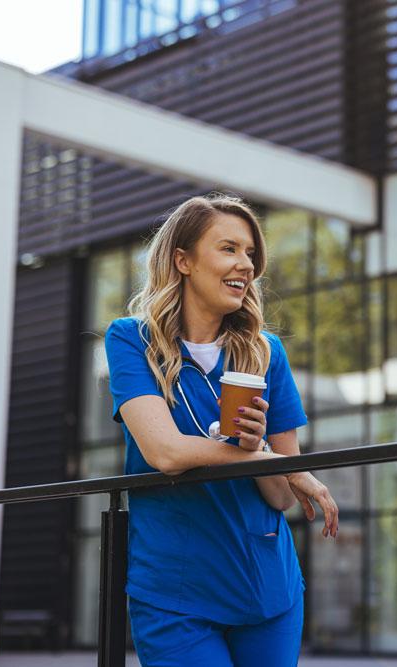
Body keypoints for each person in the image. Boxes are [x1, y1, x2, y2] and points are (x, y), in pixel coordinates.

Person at [105, 194, 339, 667]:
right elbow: (165, 452)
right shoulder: (131, 340)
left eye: (251, 253)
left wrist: (260, 452)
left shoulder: (267, 352)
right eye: (229, 248)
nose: (245, 264)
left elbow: (279, 498)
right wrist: (279, 463)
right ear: (183, 260)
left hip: (266, 591)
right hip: (176, 594)